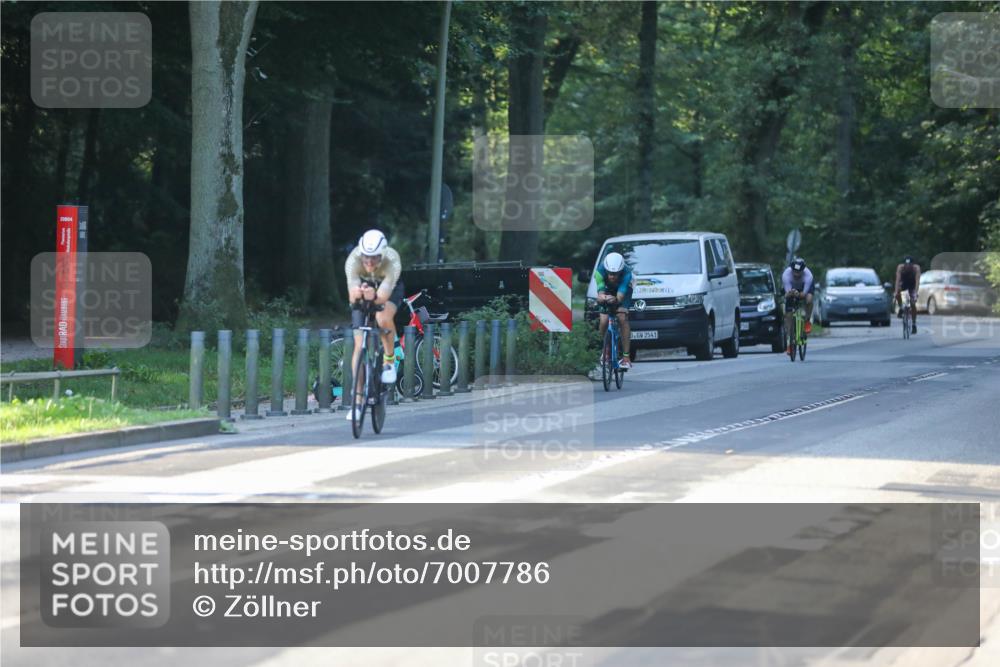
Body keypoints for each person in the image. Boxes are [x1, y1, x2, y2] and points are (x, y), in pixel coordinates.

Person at [344, 230, 403, 420]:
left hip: (388, 289)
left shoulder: (392, 260)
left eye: (374, 257)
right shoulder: (353, 261)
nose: (369, 262)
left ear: (382, 254)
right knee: (358, 343)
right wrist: (359, 294)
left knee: (382, 317)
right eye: (366, 257)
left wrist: (373, 297)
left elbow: (383, 297)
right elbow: (352, 296)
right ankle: (357, 401)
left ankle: (389, 361)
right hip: (364, 289)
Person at [595, 252, 634, 369]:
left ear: (620, 271)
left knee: (622, 318)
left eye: (615, 274)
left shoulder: (627, 274)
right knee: (604, 321)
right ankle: (605, 351)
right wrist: (602, 298)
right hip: (607, 289)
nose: (612, 276)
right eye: (610, 273)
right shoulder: (599, 272)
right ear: (606, 270)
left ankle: (626, 357)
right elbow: (601, 292)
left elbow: (620, 297)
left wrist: (616, 300)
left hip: (624, 290)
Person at [781, 257, 814, 353]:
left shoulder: (808, 276)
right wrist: (791, 293)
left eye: (799, 272)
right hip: (791, 289)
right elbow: (787, 295)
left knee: (809, 300)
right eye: (794, 272)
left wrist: (799, 294)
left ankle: (807, 321)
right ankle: (789, 341)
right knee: (788, 314)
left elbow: (803, 295)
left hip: (804, 289)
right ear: (791, 270)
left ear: (803, 271)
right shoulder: (786, 275)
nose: (796, 274)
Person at [894, 255, 921, 335]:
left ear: (913, 265)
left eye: (910, 265)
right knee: (897, 293)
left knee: (913, 304)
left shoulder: (916, 268)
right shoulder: (900, 268)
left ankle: (914, 324)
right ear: (904, 264)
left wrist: (915, 293)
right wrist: (896, 292)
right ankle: (901, 307)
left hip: (912, 285)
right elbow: (897, 280)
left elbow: (917, 281)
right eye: (906, 265)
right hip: (904, 284)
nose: (908, 267)